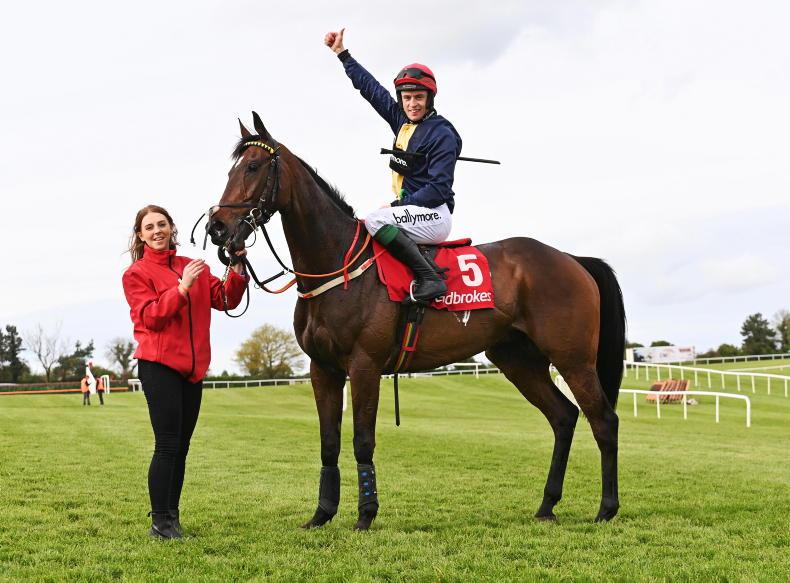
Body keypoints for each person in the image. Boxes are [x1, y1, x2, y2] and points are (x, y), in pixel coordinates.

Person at [122, 204, 248, 539]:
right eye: (150, 227)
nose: (157, 231)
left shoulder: (191, 266)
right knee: (167, 444)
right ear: (140, 235)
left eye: (162, 224)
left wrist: (236, 265)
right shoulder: (136, 274)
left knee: (182, 446)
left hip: (193, 369)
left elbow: (226, 299)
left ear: (172, 228)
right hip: (159, 365)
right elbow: (150, 317)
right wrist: (182, 288)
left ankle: (172, 519)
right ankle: (160, 522)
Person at [324, 28, 463, 302]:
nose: (412, 104)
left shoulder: (443, 134)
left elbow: (438, 189)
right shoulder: (402, 121)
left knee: (374, 220)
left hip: (435, 214)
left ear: (429, 99)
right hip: (413, 209)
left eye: (419, 98)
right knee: (372, 220)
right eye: (407, 98)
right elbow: (372, 90)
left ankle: (431, 278)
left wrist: (397, 205)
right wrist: (342, 55)